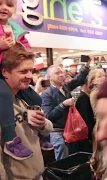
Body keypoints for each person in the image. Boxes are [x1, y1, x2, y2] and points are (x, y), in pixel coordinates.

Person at [0, 44, 53, 179]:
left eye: (31, 70)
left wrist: (42, 124)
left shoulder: (26, 98)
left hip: (39, 173)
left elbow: (47, 128)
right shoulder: (3, 104)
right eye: (23, 72)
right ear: (5, 72)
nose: (29, 76)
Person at [0, 0, 42, 160]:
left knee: (35, 97)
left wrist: (19, 48)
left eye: (9, 5)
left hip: (9, 71)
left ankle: (40, 133)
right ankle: (10, 140)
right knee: (4, 96)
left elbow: (26, 47)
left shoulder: (15, 28)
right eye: (0, 4)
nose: (4, 8)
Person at [41, 60, 90, 160]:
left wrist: (86, 66)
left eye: (61, 72)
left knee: (72, 157)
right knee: (63, 159)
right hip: (58, 132)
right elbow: (48, 116)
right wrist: (63, 104)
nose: (61, 75)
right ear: (49, 77)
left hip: (70, 129)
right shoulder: (47, 94)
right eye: (57, 73)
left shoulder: (65, 87)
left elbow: (78, 80)